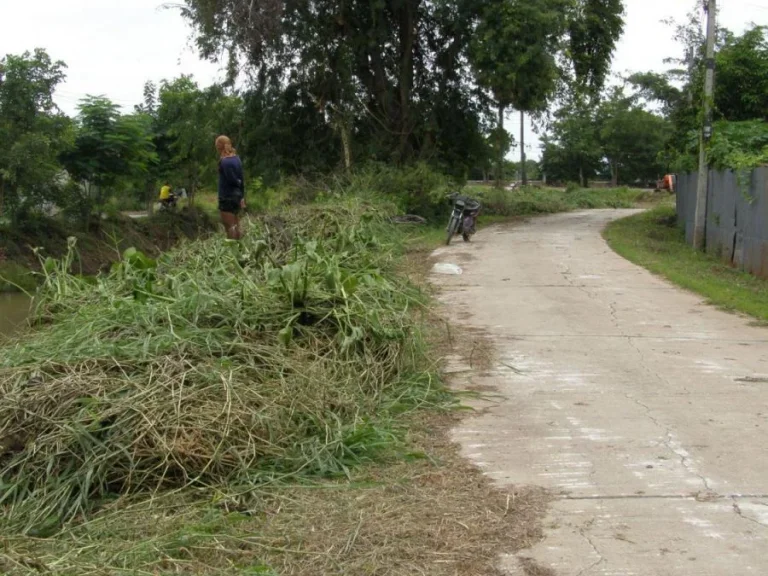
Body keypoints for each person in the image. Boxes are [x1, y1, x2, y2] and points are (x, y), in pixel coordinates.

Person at [215, 135, 246, 239]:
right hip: (237, 196)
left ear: (219, 147)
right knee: (236, 225)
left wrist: (237, 181)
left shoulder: (225, 162)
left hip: (226, 196)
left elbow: (232, 179)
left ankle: (233, 251)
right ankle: (240, 249)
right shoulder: (237, 158)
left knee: (230, 227)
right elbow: (241, 178)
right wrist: (242, 196)